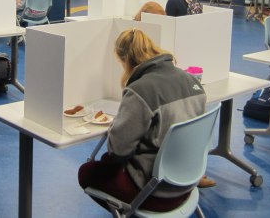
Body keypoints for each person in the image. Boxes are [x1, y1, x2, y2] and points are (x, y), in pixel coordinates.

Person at [78, 28, 208, 213]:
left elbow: (118, 152)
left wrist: (117, 124)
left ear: (125, 61)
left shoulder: (140, 90)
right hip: (188, 184)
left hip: (155, 194)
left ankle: (130, 212)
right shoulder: (192, 81)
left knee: (87, 172)